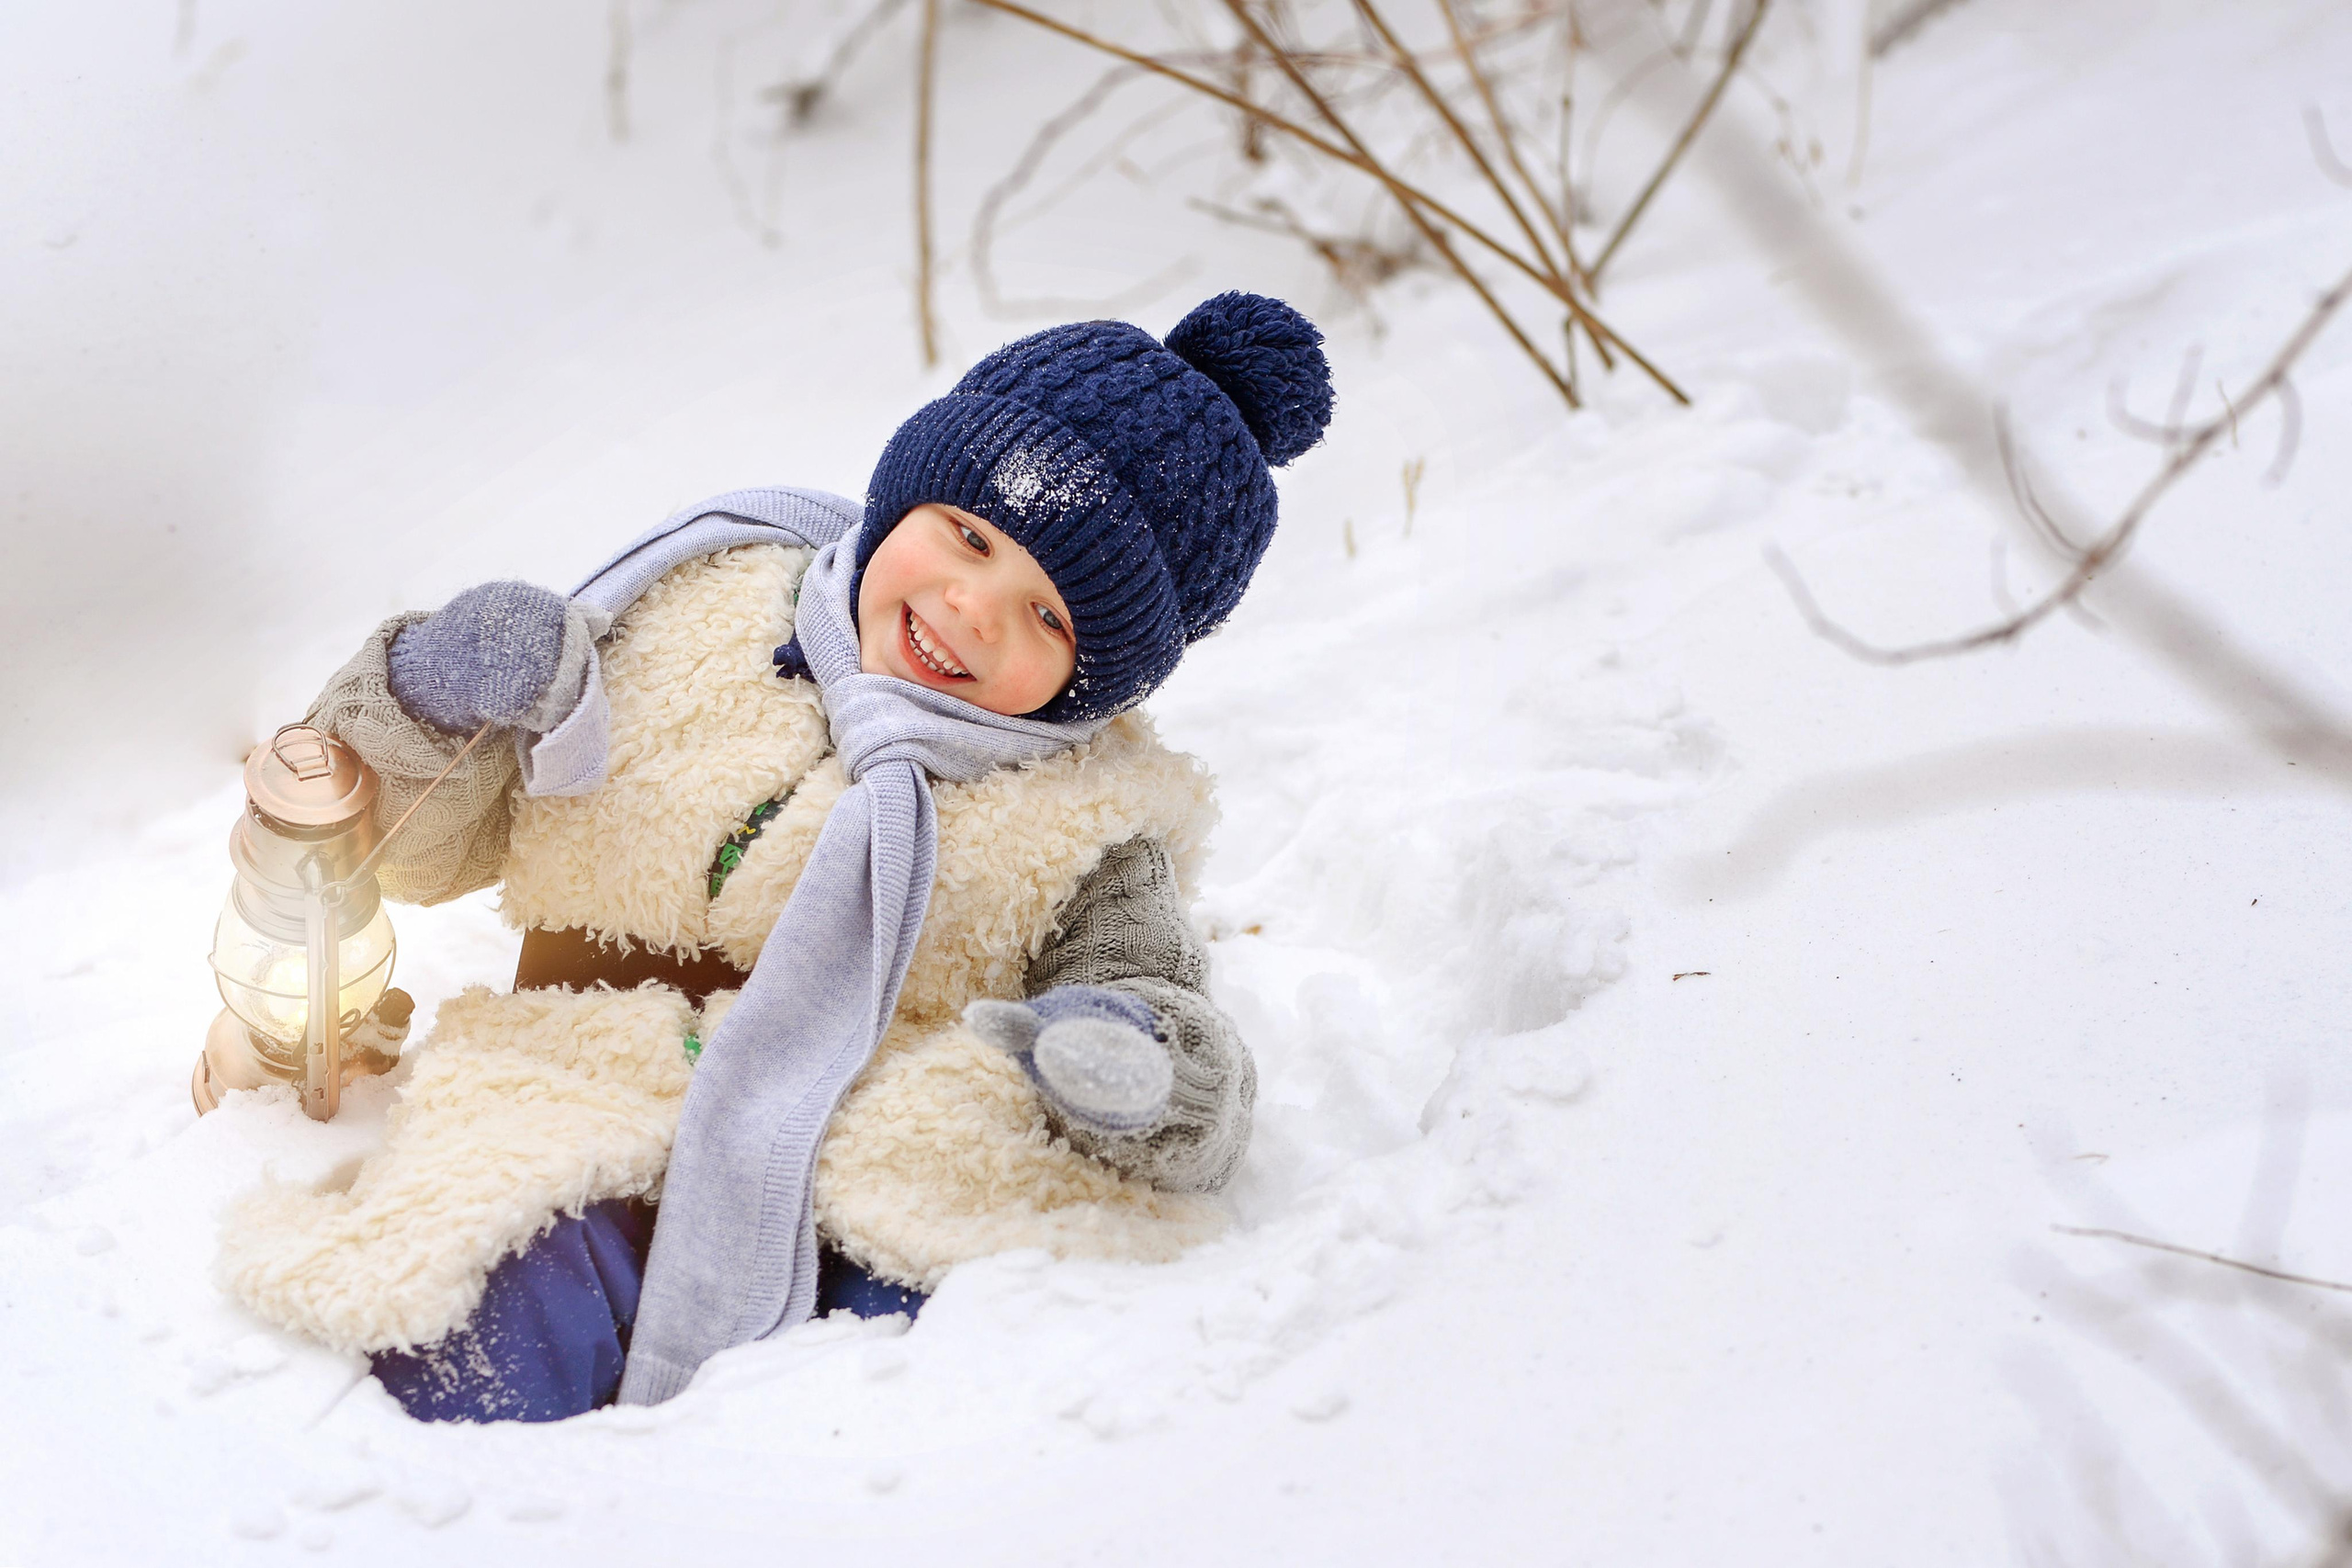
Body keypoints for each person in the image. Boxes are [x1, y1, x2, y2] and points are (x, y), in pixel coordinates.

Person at [217, 291, 1335, 1422]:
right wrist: (432, 700)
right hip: (572, 1091)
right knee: (481, 1310)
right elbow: (398, 850)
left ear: (1098, 681)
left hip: (865, 1158)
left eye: (1048, 616)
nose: (971, 607)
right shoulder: (686, 618)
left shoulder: (1086, 819)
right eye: (969, 536)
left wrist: (1138, 1063)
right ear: (907, 489)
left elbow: (1168, 1022)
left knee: (896, 1387)